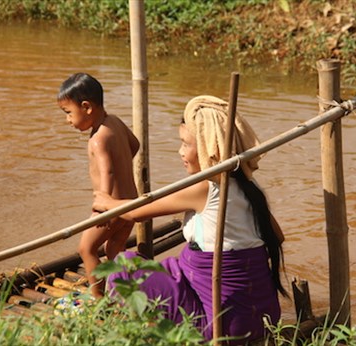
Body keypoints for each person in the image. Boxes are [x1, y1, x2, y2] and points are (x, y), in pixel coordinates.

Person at [93, 95, 287, 344]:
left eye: (186, 144)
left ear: (207, 147)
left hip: (220, 327)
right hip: (262, 318)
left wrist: (106, 202)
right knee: (170, 267)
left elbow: (136, 212)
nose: (180, 152)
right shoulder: (249, 185)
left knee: (124, 265)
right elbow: (277, 236)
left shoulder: (207, 187)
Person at [58, 72, 139, 298]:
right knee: (115, 250)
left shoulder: (97, 139)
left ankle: (98, 300)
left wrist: (104, 202)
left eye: (68, 113)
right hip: (129, 201)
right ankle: (126, 293)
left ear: (87, 107)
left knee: (86, 248)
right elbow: (135, 145)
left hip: (112, 207)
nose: (68, 120)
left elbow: (108, 171)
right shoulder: (115, 122)